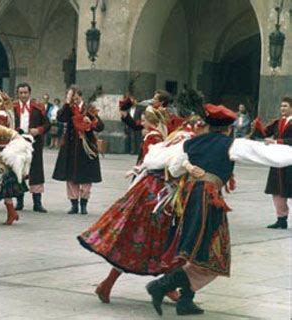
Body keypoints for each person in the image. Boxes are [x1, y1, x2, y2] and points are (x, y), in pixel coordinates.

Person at [145, 103, 292, 316]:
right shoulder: (230, 144)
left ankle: (185, 300)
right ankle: (161, 286)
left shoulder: (190, 143)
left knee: (203, 251)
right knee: (207, 252)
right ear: (228, 128)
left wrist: (184, 166)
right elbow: (268, 154)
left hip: (191, 197)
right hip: (207, 199)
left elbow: (155, 159)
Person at [78, 109, 203, 305]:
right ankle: (115, 284)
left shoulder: (176, 137)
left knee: (152, 240)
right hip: (158, 194)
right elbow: (172, 166)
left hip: (152, 191)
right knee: (162, 240)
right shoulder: (187, 141)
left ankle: (110, 284)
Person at [52, 86, 104, 215]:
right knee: (70, 176)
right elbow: (61, 118)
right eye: (71, 97)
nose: (74, 99)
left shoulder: (89, 109)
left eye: (75, 97)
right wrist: (66, 103)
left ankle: (84, 203)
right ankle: (74, 203)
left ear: (80, 96)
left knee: (86, 177)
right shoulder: (68, 109)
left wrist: (91, 123)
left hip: (86, 147)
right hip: (70, 146)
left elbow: (100, 126)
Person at [251, 96, 292, 229]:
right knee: (277, 191)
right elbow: (264, 133)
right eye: (281, 106)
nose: (282, 108)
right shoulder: (277, 122)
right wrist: (256, 127)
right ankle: (281, 219)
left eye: (285, 106)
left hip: (290, 161)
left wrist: (277, 142)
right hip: (277, 161)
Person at [14, 83, 50, 213]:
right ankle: (19, 201)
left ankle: (37, 202)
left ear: (29, 93)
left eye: (25, 93)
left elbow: (47, 124)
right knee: (18, 170)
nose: (23, 95)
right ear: (18, 94)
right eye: (21, 93)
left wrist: (38, 130)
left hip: (34, 143)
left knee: (36, 170)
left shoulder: (38, 107)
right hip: (17, 143)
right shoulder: (13, 108)